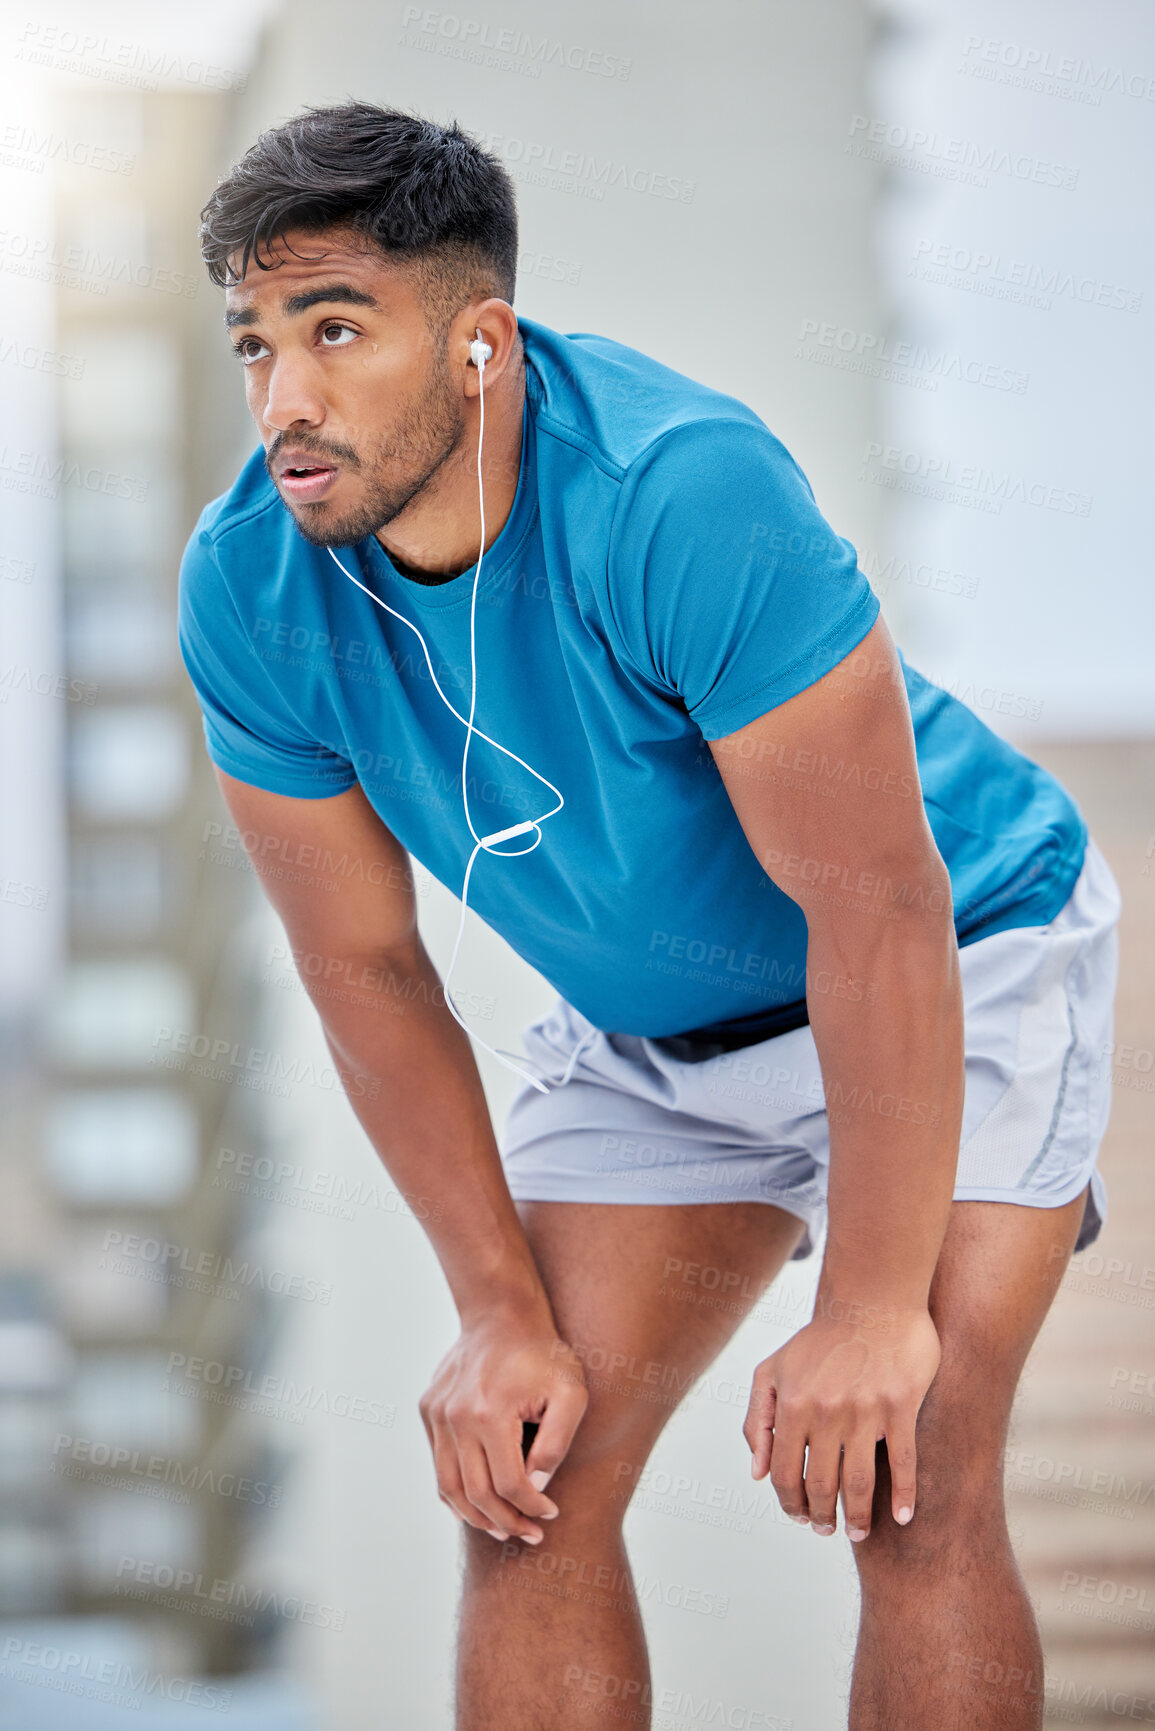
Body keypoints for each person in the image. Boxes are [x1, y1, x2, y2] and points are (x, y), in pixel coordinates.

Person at [179, 100, 1121, 1730]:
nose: (287, 400)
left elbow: (881, 911)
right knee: (528, 1490)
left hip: (953, 958)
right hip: (650, 1039)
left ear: (478, 345)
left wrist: (873, 1311)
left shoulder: (680, 490)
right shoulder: (250, 583)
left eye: (337, 331)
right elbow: (366, 968)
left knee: (911, 1473)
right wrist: (493, 1311)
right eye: (255, 342)